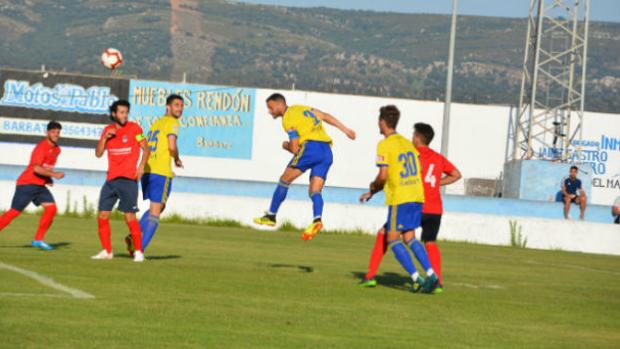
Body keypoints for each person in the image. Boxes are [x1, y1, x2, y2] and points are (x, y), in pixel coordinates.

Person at [360, 123, 461, 294]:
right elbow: (457, 174)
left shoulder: (412, 154)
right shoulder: (438, 157)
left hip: (414, 203)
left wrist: (373, 191)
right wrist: (437, 183)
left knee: (385, 235)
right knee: (429, 242)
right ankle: (438, 282)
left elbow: (398, 177)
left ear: (417, 138)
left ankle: (371, 275)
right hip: (435, 208)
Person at [253, 93, 356, 240]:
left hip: (310, 148)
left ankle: (271, 215)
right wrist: (346, 130)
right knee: (315, 190)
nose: (269, 111)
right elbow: (325, 116)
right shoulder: (302, 109)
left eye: (270, 107)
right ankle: (317, 220)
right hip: (327, 151)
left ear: (279, 104)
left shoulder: (288, 119)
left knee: (284, 180)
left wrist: (286, 146)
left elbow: (295, 149)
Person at [125, 94, 184, 256]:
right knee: (155, 213)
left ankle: (133, 236)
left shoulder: (157, 123)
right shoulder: (173, 122)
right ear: (168, 107)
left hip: (149, 171)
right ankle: (139, 249)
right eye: (176, 105)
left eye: (181, 106)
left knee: (158, 206)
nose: (179, 109)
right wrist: (177, 159)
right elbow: (172, 147)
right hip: (160, 172)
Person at [92, 100, 149, 262]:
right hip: (111, 180)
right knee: (102, 215)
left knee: (129, 217)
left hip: (128, 181)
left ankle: (139, 252)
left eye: (126, 112)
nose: (124, 115)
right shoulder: (107, 130)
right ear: (114, 114)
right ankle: (107, 251)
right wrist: (104, 139)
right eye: (121, 112)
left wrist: (141, 166)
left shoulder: (135, 129)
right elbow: (98, 154)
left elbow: (146, 148)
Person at [0, 121, 64, 250]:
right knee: (14, 213)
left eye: (58, 132)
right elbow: (35, 168)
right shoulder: (41, 147)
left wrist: (47, 178)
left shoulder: (57, 149)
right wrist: (53, 174)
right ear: (47, 133)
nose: (56, 135)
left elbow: (44, 167)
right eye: (53, 132)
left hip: (40, 186)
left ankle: (38, 240)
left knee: (51, 209)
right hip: (27, 184)